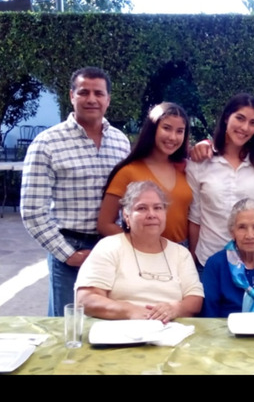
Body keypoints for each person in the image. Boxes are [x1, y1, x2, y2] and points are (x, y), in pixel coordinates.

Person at [20, 66, 131, 317]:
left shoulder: (120, 142)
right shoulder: (47, 143)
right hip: (70, 246)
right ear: (72, 96)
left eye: (98, 93)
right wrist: (68, 255)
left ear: (108, 99)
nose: (92, 99)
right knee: (68, 324)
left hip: (112, 247)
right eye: (84, 92)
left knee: (109, 320)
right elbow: (32, 211)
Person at [76, 181, 204, 321]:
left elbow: (195, 299)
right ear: (126, 215)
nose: (151, 214)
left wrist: (175, 309)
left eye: (158, 208)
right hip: (122, 328)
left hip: (171, 328)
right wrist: (129, 311)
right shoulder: (109, 247)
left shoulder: (181, 253)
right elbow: (85, 299)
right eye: (142, 208)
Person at [186, 93, 254, 275]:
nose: (245, 128)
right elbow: (195, 217)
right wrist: (191, 261)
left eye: (253, 123)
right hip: (209, 261)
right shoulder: (200, 163)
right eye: (240, 118)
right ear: (226, 118)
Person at [97, 102, 192, 246]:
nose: (173, 137)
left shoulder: (185, 169)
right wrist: (139, 245)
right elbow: (105, 224)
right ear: (152, 129)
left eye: (180, 131)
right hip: (141, 250)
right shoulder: (128, 171)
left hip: (182, 250)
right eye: (166, 128)